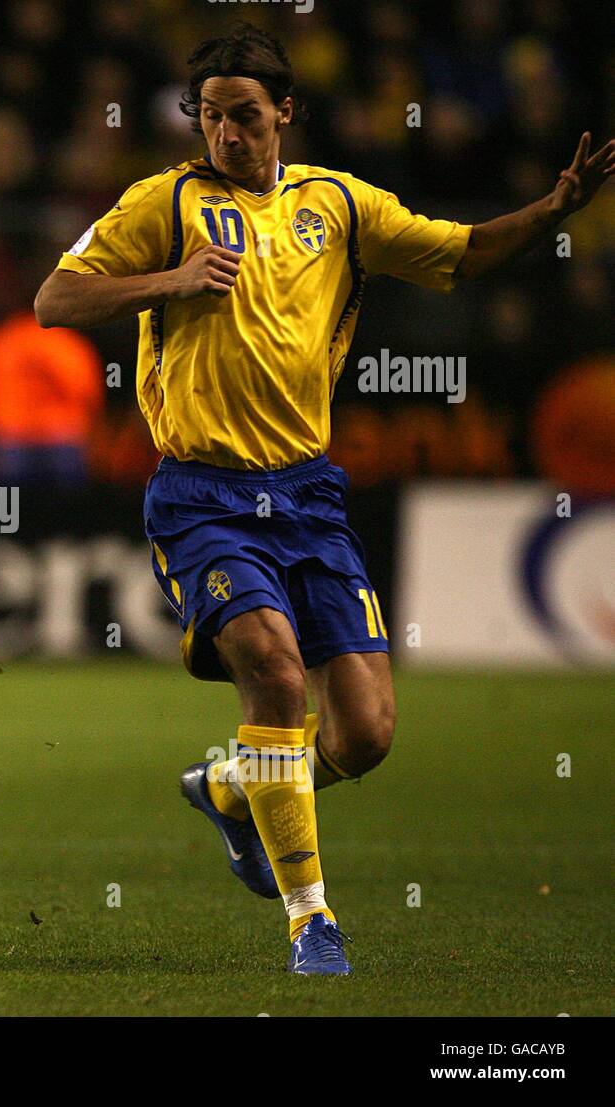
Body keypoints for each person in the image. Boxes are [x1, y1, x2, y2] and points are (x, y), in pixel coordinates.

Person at [34, 23, 614, 975]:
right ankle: (313, 918)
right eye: (209, 116)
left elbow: (462, 253)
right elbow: (55, 300)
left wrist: (553, 209)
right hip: (202, 491)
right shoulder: (165, 203)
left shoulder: (339, 204)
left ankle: (231, 785)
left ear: (285, 114)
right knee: (272, 665)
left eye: (245, 116)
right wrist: (169, 281)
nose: (225, 133)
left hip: (308, 491)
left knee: (369, 734)